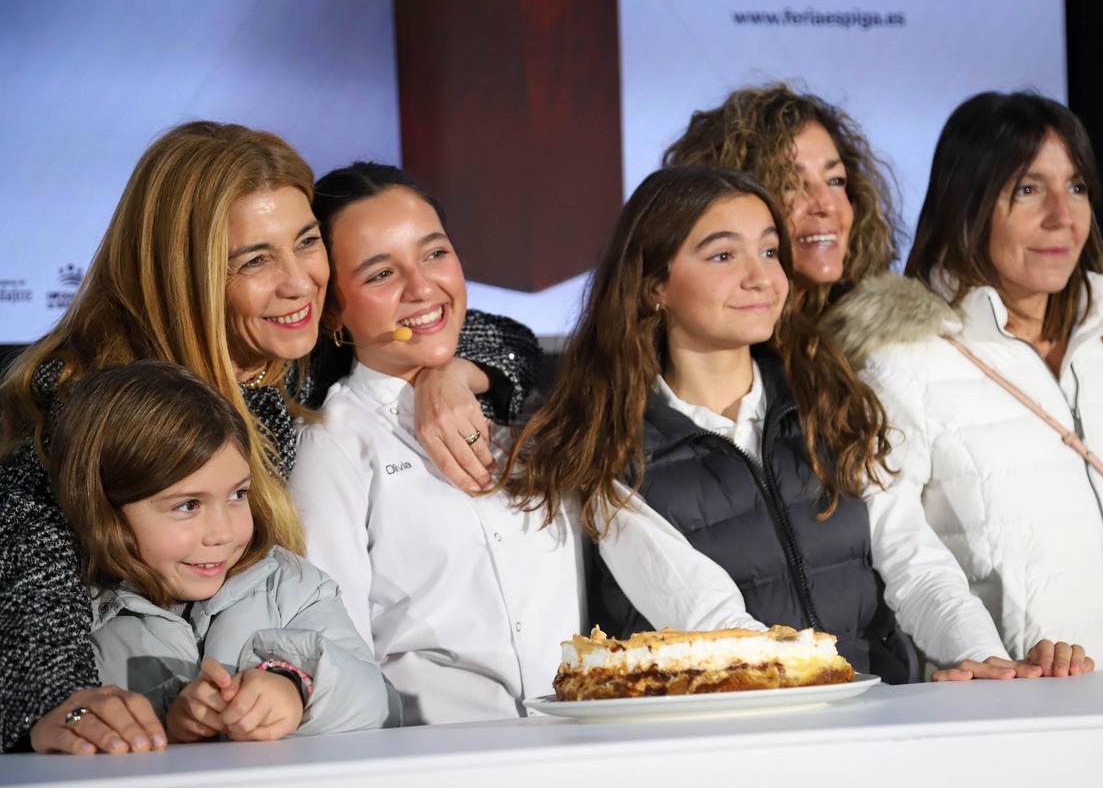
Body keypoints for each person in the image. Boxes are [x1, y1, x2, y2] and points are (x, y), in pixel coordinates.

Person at [0, 121, 536, 753]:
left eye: (307, 242)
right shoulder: (91, 400)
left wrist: (447, 370)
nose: (300, 282)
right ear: (185, 274)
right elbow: (30, 570)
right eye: (255, 260)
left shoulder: (293, 354)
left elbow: (504, 335)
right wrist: (59, 702)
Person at [500, 164, 1093, 682]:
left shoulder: (835, 405)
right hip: (731, 749)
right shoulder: (606, 450)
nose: (762, 277)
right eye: (724, 255)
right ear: (654, 285)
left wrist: (982, 656)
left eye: (768, 251)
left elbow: (914, 560)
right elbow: (711, 618)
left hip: (874, 730)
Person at [289, 162, 761, 725]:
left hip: (569, 750)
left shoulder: (523, 416)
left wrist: (755, 657)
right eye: (380, 275)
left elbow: (646, 549)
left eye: (435, 253)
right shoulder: (334, 443)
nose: (423, 288)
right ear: (334, 311)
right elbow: (337, 650)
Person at [826, 91, 1103, 668]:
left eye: (1076, 186)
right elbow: (904, 554)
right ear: (966, 205)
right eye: (1028, 190)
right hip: (1023, 705)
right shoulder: (904, 361)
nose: (1062, 216)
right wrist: (984, 658)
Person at [663, 83, 1103, 366]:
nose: (826, 206)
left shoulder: (885, 337)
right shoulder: (691, 353)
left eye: (837, 181)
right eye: (791, 183)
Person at [46, 361, 398, 749]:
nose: (224, 533)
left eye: (237, 495)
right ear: (104, 508)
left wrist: (295, 688)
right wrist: (169, 719)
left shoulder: (290, 586)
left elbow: (381, 704)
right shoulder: (64, 617)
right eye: (188, 505)